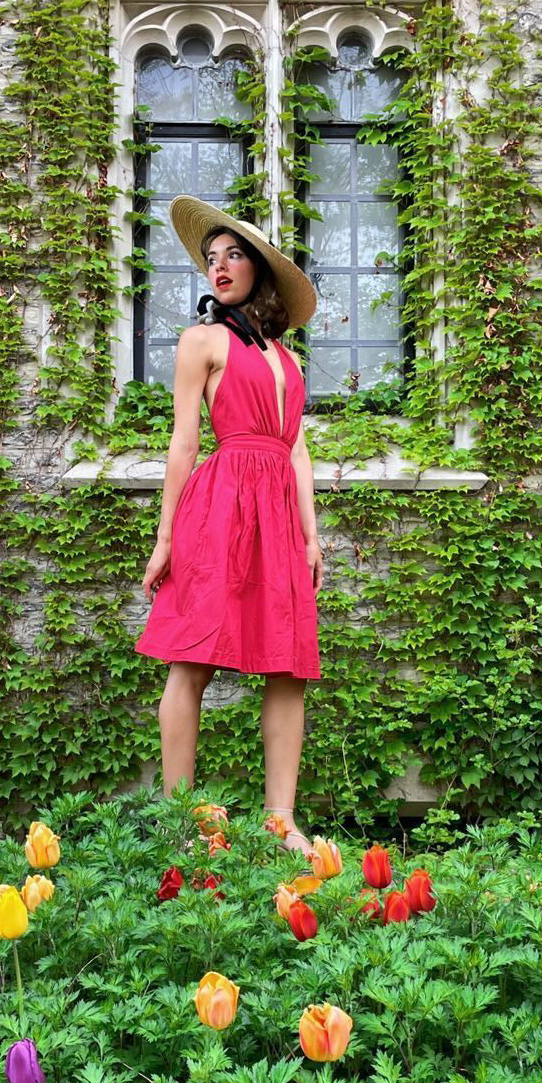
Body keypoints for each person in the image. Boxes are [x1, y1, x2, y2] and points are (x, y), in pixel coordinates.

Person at [135, 195, 323, 859]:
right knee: (192, 658)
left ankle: (282, 822)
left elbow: (297, 450)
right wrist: (165, 539)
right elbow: (184, 443)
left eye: (233, 254)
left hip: (278, 514)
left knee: (288, 667)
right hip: (220, 506)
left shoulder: (288, 360)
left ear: (259, 269)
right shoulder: (202, 341)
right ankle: (181, 820)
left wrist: (310, 535)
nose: (217, 266)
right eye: (211, 257)